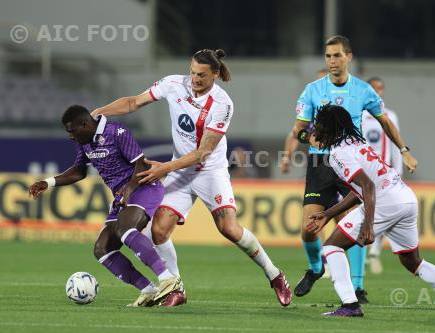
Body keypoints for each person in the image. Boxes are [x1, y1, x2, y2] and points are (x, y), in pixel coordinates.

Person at [91, 49, 292, 307]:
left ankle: (274, 274)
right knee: (159, 230)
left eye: (202, 75)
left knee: (228, 228)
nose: (195, 79)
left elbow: (203, 153)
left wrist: (165, 168)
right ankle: (175, 288)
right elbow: (133, 102)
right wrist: (99, 112)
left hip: (210, 172)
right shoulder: (173, 84)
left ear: (215, 75)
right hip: (180, 171)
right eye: (193, 72)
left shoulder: (222, 104)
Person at [305, 104, 435, 318]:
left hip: (384, 201)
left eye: (319, 125)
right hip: (405, 198)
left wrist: (368, 226)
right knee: (412, 261)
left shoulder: (338, 154)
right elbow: (363, 187)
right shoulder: (356, 142)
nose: (316, 130)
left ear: (330, 128)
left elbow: (368, 186)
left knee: (332, 246)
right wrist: (329, 213)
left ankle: (350, 305)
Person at [291, 35, 417, 303]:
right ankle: (315, 268)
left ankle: (357, 288)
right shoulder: (313, 90)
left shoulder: (363, 90)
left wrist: (404, 151)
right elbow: (298, 130)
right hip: (320, 163)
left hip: (352, 161)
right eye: (328, 56)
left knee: (353, 223)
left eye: (337, 55)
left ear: (348, 57)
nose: (332, 61)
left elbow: (385, 123)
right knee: (308, 228)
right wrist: (308, 139)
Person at [28, 105, 182, 307]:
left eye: (72, 131)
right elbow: (78, 171)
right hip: (121, 197)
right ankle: (149, 290)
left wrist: (128, 189)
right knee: (102, 248)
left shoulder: (116, 132)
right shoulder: (84, 142)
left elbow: (140, 164)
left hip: (144, 188)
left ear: (84, 124)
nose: (71, 136)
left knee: (126, 230)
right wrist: (47, 182)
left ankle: (168, 279)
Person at [362, 76, 403, 275]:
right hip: (362, 171)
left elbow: (396, 144)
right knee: (365, 209)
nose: (377, 91)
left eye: (380, 88)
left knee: (384, 209)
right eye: (373, 88)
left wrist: (399, 170)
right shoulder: (360, 114)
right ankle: (364, 250)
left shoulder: (389, 115)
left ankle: (375, 251)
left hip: (383, 171)